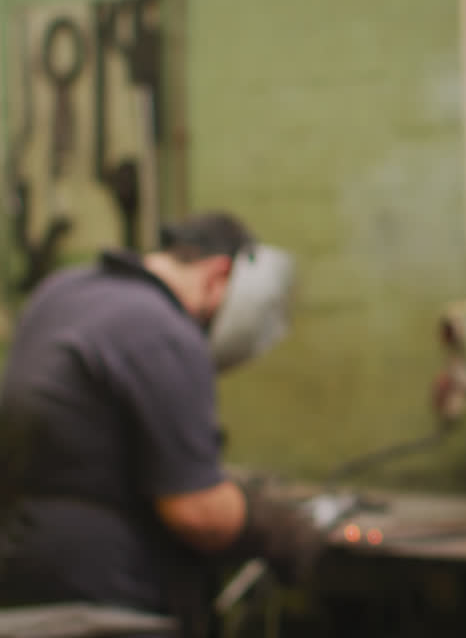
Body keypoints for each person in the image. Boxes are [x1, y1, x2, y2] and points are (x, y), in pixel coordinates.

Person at [0, 211, 324, 637]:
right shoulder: (162, 327)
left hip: (21, 583)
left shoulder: (63, 291)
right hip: (103, 604)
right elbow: (199, 513)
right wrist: (276, 528)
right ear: (216, 276)